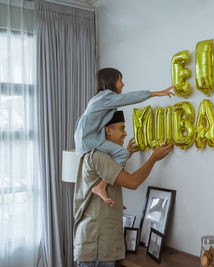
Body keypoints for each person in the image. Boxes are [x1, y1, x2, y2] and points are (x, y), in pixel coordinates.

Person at [73, 111, 173, 266]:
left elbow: (110, 175)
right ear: (108, 130)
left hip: (97, 243)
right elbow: (133, 182)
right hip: (98, 245)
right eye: (122, 128)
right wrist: (153, 158)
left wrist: (126, 154)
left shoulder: (98, 155)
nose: (125, 133)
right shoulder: (99, 156)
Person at [74, 68, 174, 207]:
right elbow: (129, 98)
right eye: (120, 80)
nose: (123, 84)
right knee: (122, 153)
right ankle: (101, 187)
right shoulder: (106, 96)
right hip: (88, 138)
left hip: (84, 138)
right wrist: (156, 93)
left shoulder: (98, 99)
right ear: (111, 81)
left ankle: (103, 189)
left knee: (119, 155)